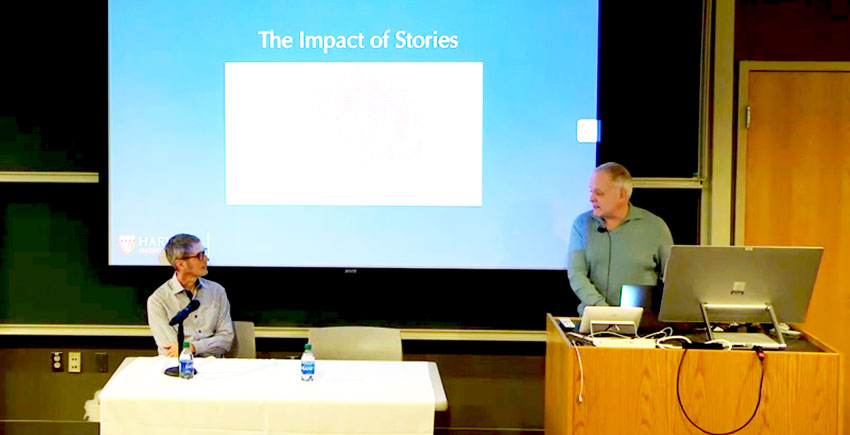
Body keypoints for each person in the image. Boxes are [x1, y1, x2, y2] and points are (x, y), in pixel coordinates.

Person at [567, 163, 673, 315]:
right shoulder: (582, 224)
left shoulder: (655, 226)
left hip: (642, 323)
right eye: (591, 192)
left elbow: (672, 279)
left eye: (599, 193)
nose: (591, 198)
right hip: (593, 321)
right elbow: (577, 274)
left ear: (622, 195)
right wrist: (603, 311)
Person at [147, 234, 233, 357]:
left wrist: (194, 347)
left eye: (204, 253)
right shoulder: (158, 300)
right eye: (200, 256)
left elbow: (226, 340)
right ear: (181, 264)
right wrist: (205, 346)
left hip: (213, 365)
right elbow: (172, 350)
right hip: (177, 368)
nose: (206, 259)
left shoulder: (217, 291)